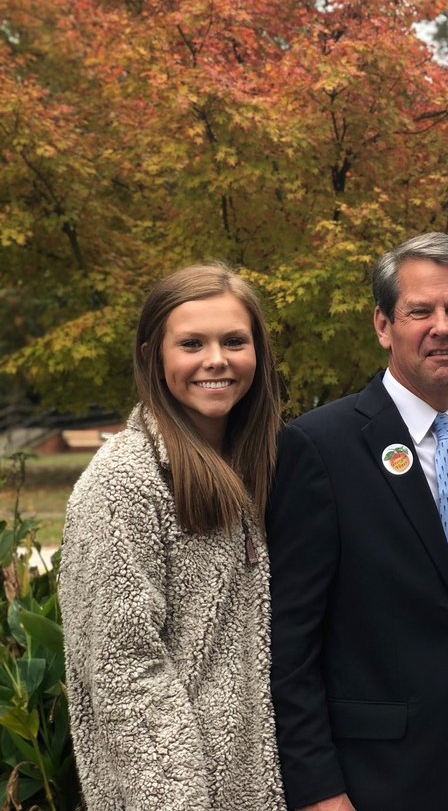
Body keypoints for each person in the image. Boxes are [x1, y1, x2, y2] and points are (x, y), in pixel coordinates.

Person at [268, 233, 448, 811]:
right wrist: (318, 789)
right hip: (370, 781)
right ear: (383, 325)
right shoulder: (320, 447)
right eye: (420, 311)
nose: (442, 327)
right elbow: (290, 642)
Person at [59, 263, 285, 810]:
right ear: (152, 356)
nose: (216, 359)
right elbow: (126, 672)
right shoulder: (125, 480)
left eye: (234, 341)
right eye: (191, 343)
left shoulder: (262, 466)